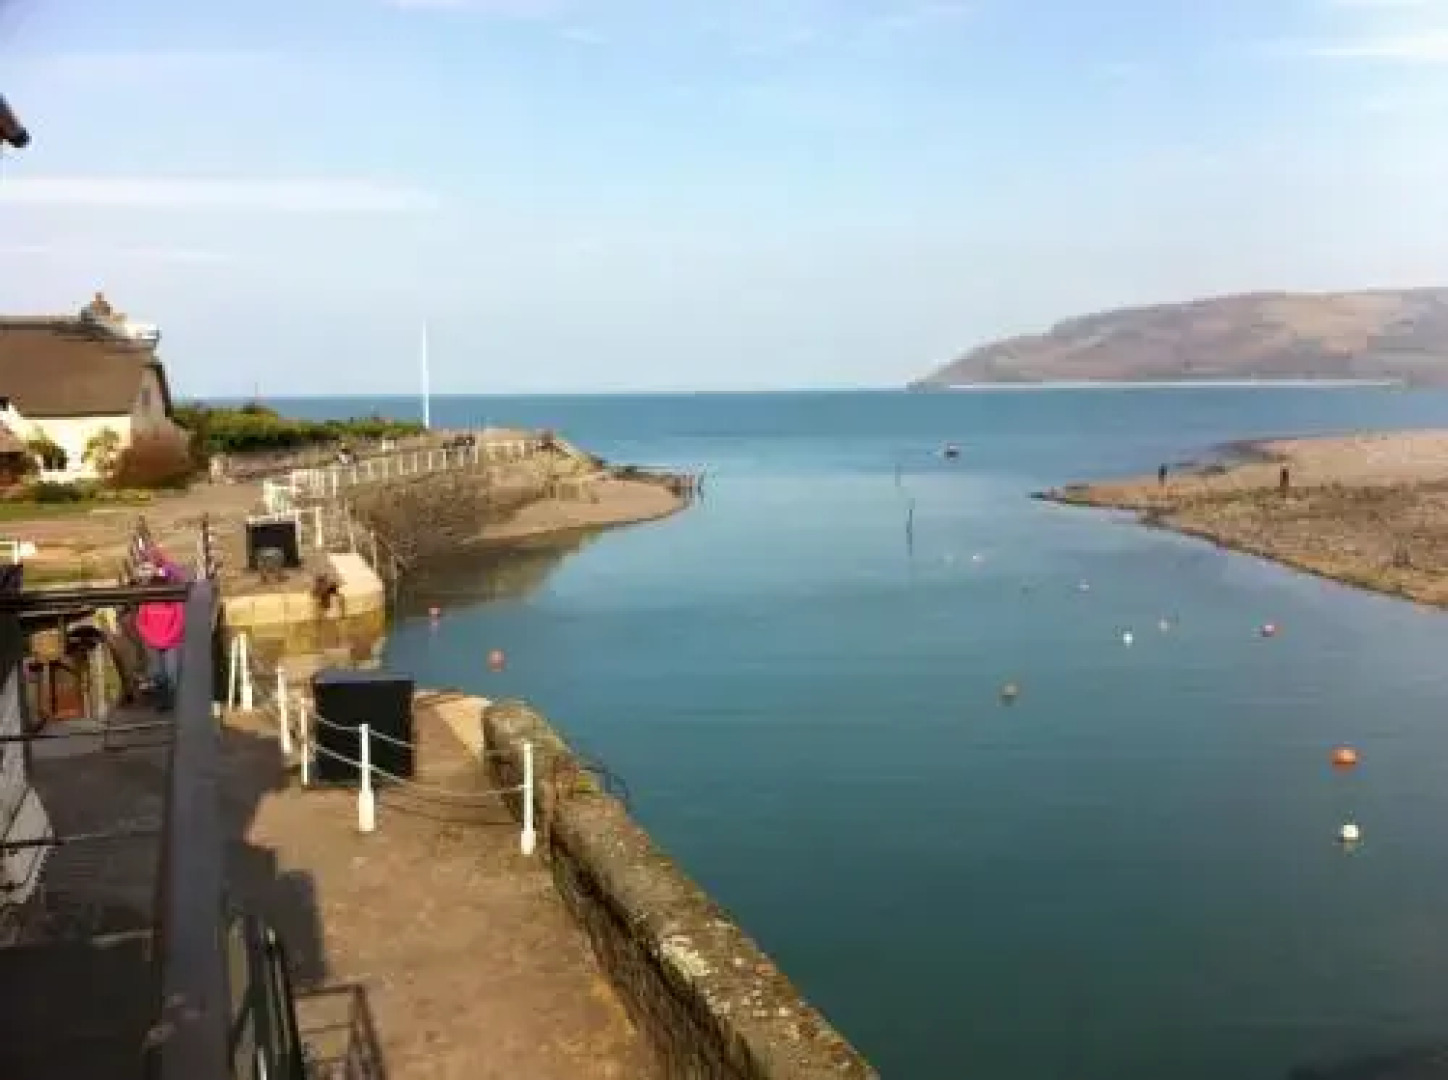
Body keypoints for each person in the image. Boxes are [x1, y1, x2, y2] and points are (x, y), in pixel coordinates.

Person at [136, 556, 187, 708]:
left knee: (172, 673)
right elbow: (140, 623)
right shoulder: (146, 601)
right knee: (158, 674)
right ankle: (162, 701)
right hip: (153, 643)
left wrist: (168, 638)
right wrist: (151, 638)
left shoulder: (174, 599)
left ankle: (174, 701)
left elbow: (179, 622)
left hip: (171, 642)